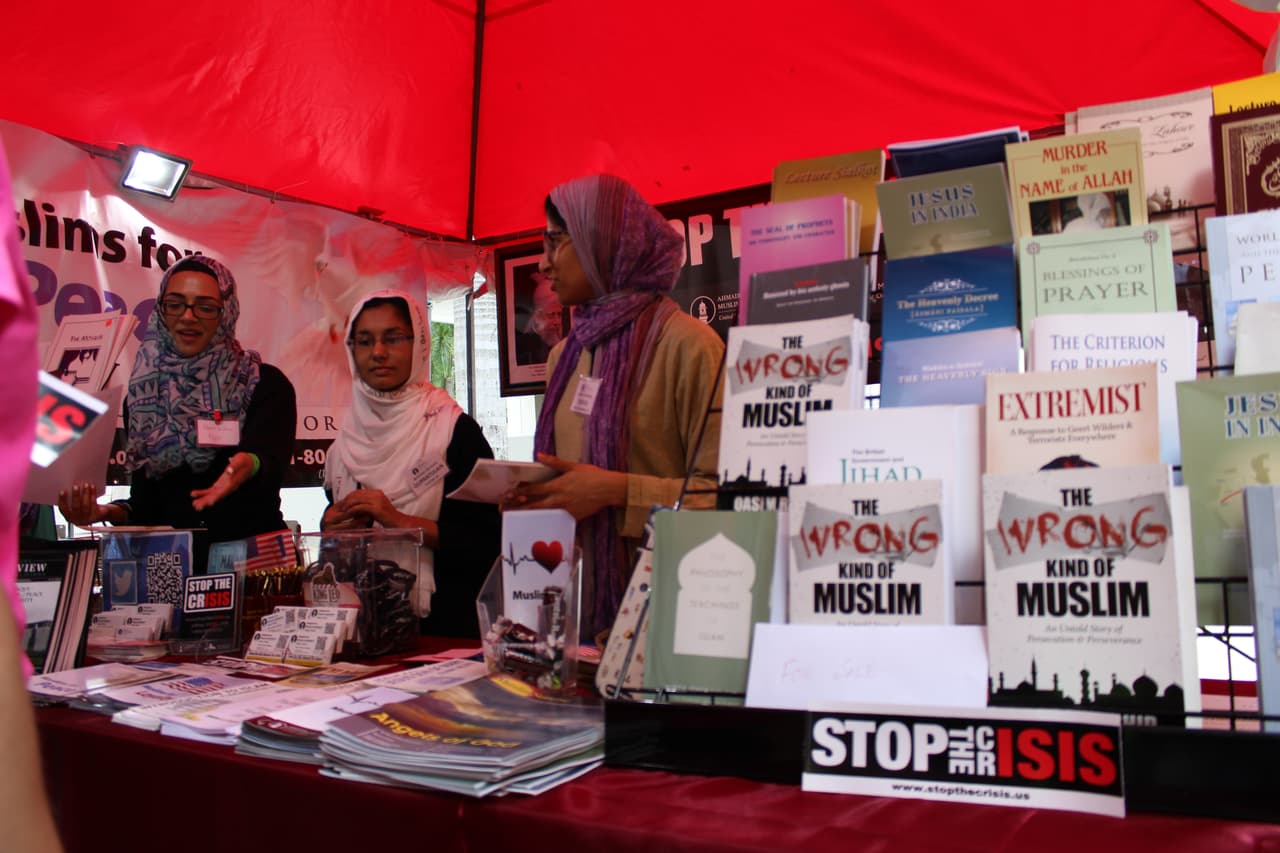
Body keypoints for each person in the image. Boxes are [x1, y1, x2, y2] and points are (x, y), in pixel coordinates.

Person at [503, 174, 724, 639]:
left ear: (604, 244)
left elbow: (728, 500)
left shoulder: (689, 346)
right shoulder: (565, 355)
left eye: (556, 241)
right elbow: (564, 479)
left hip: (668, 618)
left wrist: (617, 491)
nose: (543, 262)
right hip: (570, 622)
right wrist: (531, 495)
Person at [58, 255, 297, 543]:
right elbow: (146, 506)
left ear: (227, 312)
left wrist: (249, 464)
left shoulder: (264, 384)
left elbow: (269, 465)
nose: (188, 316)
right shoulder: (145, 397)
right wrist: (102, 512)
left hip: (253, 559)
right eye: (175, 304)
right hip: (177, 563)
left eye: (205, 307)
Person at [322, 290, 500, 638]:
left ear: (418, 343)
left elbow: (487, 541)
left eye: (393, 338)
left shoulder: (453, 432)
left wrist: (400, 522)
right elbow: (339, 534)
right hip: (361, 631)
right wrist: (331, 526)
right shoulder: (343, 446)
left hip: (443, 633)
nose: (378, 352)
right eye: (364, 341)